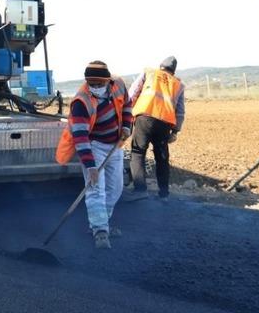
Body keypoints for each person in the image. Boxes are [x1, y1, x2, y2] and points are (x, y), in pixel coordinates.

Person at [56, 60, 133, 249]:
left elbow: (127, 106)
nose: (96, 87)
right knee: (95, 189)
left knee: (115, 188)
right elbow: (80, 136)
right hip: (94, 145)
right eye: (92, 84)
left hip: (115, 144)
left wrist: (126, 127)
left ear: (108, 81)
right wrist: (90, 166)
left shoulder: (119, 85)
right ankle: (100, 231)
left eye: (99, 84)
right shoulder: (81, 102)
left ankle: (102, 223)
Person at [124, 56, 185, 202]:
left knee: (138, 153)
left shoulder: (149, 72)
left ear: (161, 66)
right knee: (162, 158)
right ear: (173, 71)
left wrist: (126, 115)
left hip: (144, 117)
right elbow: (180, 111)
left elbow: (132, 93)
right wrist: (175, 131)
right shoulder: (178, 84)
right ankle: (164, 194)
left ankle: (140, 190)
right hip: (164, 123)